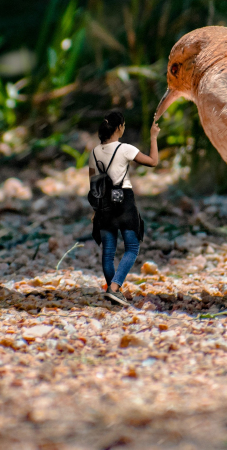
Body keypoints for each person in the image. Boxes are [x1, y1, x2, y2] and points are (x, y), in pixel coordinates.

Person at [89, 111, 160, 306]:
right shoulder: (125, 149)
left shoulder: (94, 153)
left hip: (103, 204)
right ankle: (114, 288)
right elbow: (153, 162)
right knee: (132, 247)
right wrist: (153, 136)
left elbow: (93, 185)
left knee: (108, 252)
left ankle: (114, 292)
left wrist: (96, 210)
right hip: (124, 202)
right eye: (124, 126)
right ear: (119, 128)